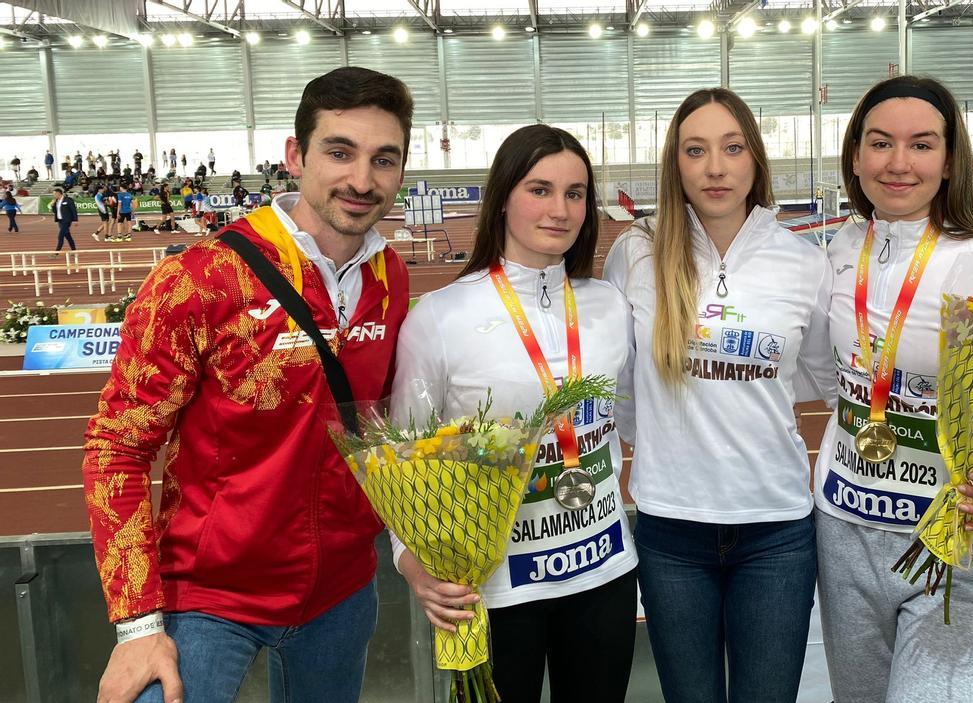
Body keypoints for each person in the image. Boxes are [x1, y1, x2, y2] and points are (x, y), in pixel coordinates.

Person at [82, 66, 415, 703]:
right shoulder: (200, 278)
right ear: (295, 155)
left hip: (342, 595)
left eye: (384, 159)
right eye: (339, 151)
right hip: (208, 599)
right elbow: (116, 449)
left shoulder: (389, 278)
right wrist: (137, 624)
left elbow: (382, 427)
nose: (361, 180)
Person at [811, 75, 973, 703]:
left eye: (921, 145)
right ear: (856, 157)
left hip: (959, 550)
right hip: (846, 536)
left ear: (950, 160)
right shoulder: (839, 248)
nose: (899, 163)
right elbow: (826, 374)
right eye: (880, 143)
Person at [602, 87, 835, 703]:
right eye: (695, 150)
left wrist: (746, 394)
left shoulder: (803, 262)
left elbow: (818, 376)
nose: (714, 167)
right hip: (669, 529)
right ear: (674, 163)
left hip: (777, 530)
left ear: (755, 159)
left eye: (732, 149)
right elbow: (622, 381)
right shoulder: (636, 253)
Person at [391, 124, 638, 703]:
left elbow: (632, 421)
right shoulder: (441, 317)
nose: (560, 209)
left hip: (603, 572)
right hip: (496, 589)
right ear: (503, 197)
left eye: (575, 193)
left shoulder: (609, 305)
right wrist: (411, 562)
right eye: (540, 189)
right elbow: (401, 459)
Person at [51, 186, 77, 255]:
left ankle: (56, 253)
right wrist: (53, 205)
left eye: (54, 194)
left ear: (58, 193)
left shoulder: (68, 200)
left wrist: (75, 220)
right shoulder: (56, 201)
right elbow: (55, 211)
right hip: (60, 221)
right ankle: (74, 250)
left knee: (60, 236)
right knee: (68, 236)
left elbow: (73, 210)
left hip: (67, 220)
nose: (53, 195)